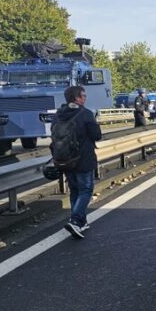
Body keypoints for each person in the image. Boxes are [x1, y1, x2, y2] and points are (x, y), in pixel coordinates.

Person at [54, 85, 102, 239]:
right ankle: (75, 220)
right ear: (77, 98)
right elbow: (96, 135)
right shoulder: (86, 114)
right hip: (83, 158)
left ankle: (81, 222)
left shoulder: (58, 114)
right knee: (86, 190)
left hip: (65, 159)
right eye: (83, 96)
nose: (85, 98)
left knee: (74, 190)